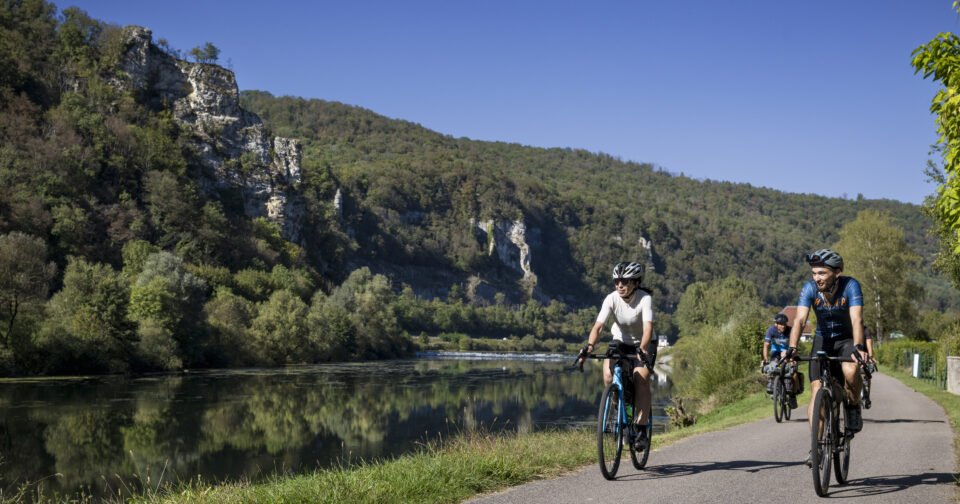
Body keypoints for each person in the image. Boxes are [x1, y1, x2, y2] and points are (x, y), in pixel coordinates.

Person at [783, 249, 867, 466]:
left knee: (851, 371)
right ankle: (816, 447)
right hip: (822, 340)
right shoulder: (810, 289)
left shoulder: (851, 286)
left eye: (822, 273)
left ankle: (853, 405)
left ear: (836, 272)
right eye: (814, 273)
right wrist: (792, 347)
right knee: (817, 391)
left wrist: (859, 347)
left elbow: (856, 319)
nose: (816, 278)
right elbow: (800, 320)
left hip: (846, 340)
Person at [577, 261, 654, 451]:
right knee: (609, 375)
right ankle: (619, 409)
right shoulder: (611, 298)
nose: (620, 285)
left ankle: (642, 429)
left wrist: (643, 349)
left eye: (625, 281)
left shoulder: (644, 299)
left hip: (643, 343)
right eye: (617, 281)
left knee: (641, 378)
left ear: (635, 282)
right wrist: (589, 347)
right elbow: (599, 326)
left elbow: (648, 327)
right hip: (620, 341)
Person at [762, 313, 799, 409]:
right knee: (773, 367)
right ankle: (775, 388)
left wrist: (791, 358)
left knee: (793, 372)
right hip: (776, 352)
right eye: (780, 324)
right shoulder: (771, 331)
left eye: (784, 324)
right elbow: (766, 345)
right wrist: (765, 359)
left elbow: (794, 347)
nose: (783, 326)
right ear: (776, 324)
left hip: (789, 352)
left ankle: (792, 396)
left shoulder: (790, 331)